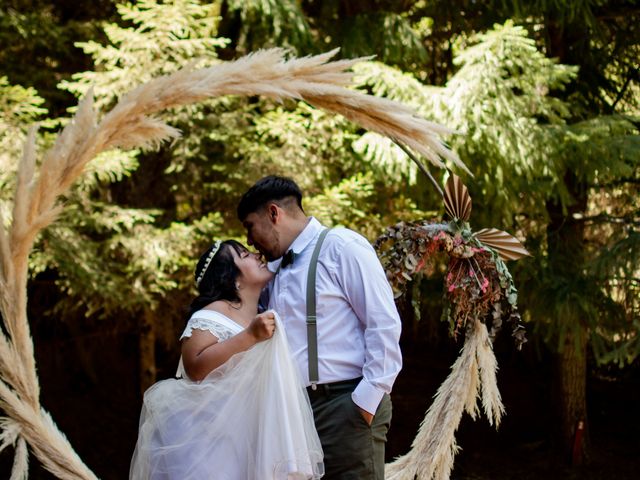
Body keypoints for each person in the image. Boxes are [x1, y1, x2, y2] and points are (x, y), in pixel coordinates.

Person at [238, 176, 403, 479]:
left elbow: (383, 324)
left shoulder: (342, 247)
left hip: (344, 403)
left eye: (250, 226)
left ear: (274, 213)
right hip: (293, 413)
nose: (249, 240)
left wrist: (365, 402)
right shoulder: (272, 273)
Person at [129, 240, 324, 480]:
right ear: (233, 277)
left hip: (253, 437)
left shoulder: (262, 311)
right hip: (213, 444)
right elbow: (195, 367)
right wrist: (250, 336)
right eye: (244, 254)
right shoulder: (211, 313)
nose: (256, 254)